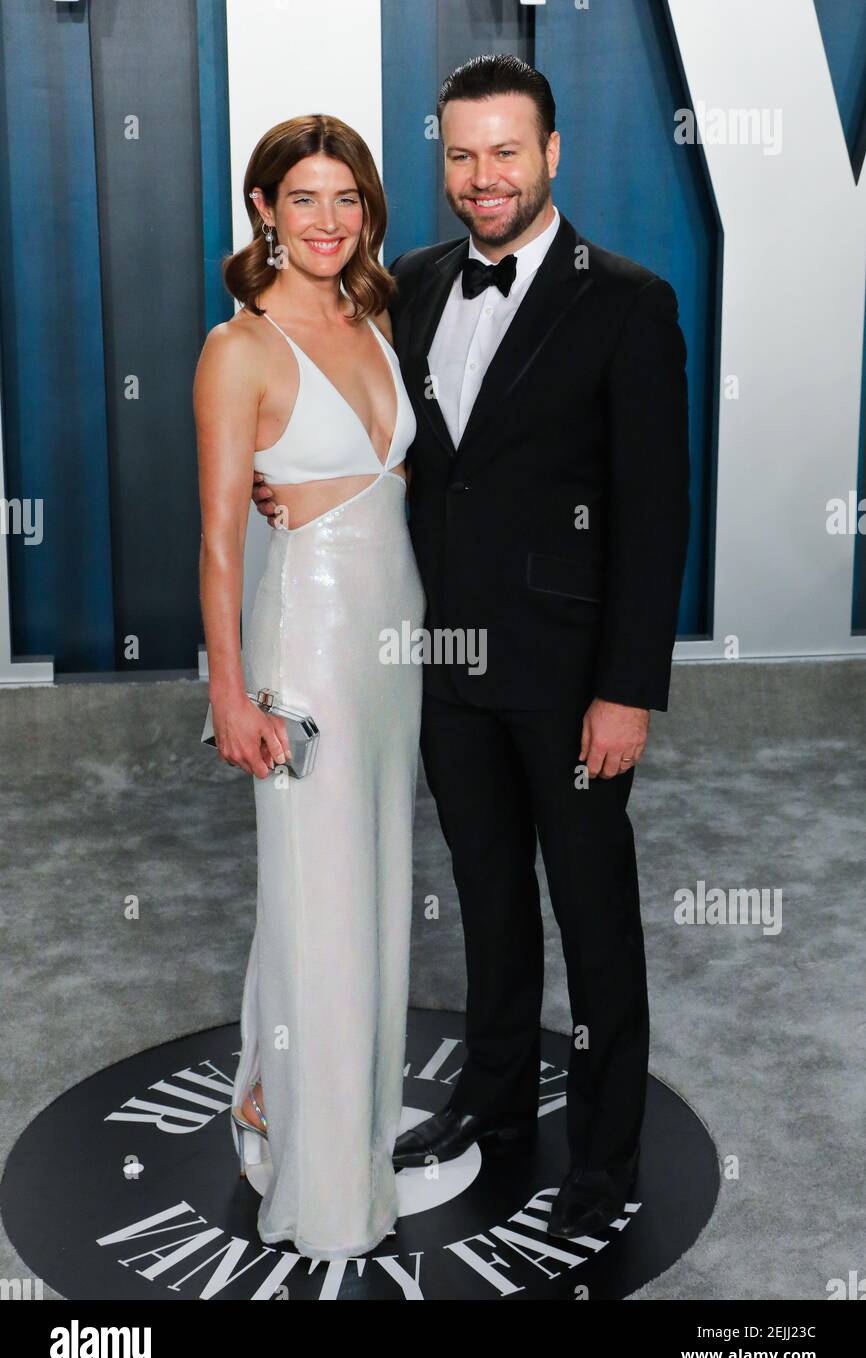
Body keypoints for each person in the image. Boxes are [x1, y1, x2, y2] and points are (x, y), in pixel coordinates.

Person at [254, 55, 691, 1241]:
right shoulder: (413, 284)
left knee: (592, 913)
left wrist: (624, 692)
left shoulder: (627, 302)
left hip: (568, 680)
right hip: (436, 662)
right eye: (459, 153)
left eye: (505, 151)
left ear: (552, 155)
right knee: (489, 898)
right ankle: (492, 1103)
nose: (481, 175)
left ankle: (600, 1155)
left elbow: (652, 520)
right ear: (440, 161)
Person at [195, 114, 425, 1260]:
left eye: (347, 199)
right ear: (264, 211)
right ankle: (321, 1178)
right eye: (304, 200)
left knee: (366, 893)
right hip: (308, 652)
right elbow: (220, 544)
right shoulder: (237, 348)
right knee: (317, 904)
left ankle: (302, 1108)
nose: (328, 221)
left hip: (398, 646)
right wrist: (231, 698)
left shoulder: (372, 312)